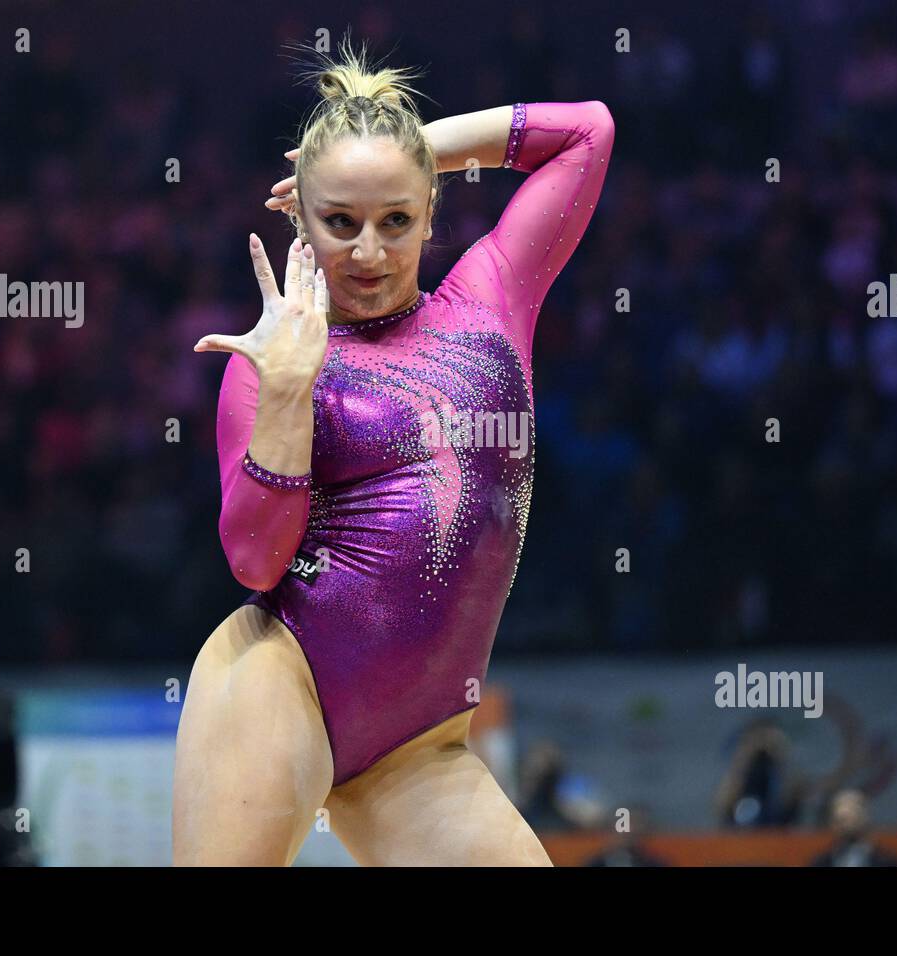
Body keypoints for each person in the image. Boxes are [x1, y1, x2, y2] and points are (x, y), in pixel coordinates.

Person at [172, 39, 614, 866]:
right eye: (339, 220)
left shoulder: (491, 295)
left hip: (418, 749)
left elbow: (588, 134)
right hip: (281, 682)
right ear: (299, 215)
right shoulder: (270, 362)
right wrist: (287, 394)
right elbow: (255, 564)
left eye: (396, 218)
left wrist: (415, 148)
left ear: (431, 210)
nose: (367, 253)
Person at [809, 788, 897, 867]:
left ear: (865, 817)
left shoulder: (888, 862)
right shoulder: (820, 863)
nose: (844, 825)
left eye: (850, 817)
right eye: (839, 819)